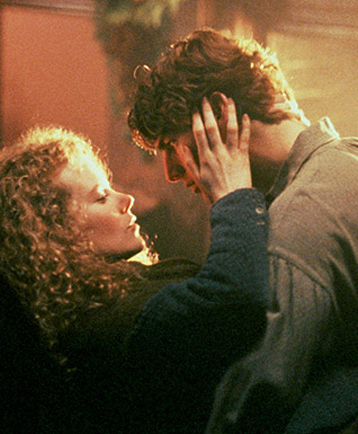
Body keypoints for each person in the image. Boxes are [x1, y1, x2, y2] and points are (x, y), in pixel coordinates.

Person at [0, 99, 269, 434]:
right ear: (53, 231)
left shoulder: (100, 302)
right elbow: (233, 297)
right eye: (101, 197)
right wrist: (233, 196)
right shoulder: (106, 325)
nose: (126, 200)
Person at [128, 27, 358, 434]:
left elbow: (253, 406)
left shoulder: (299, 221)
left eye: (170, 144)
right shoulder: (344, 159)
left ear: (220, 112)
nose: (170, 172)